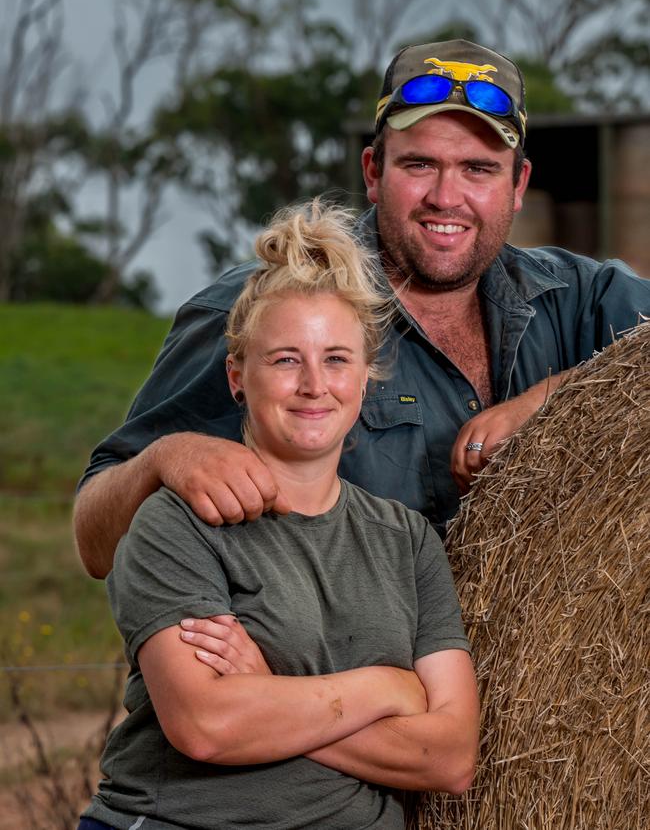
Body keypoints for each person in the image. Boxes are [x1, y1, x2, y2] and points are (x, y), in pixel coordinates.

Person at [74, 39, 650, 578]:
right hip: (331, 678)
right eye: (419, 165)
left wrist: (552, 402)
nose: (446, 198)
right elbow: (94, 541)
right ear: (373, 172)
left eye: (478, 169)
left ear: (518, 184)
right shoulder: (266, 310)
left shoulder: (577, 297)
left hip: (517, 677)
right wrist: (166, 458)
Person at [77, 202, 479, 830]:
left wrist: (267, 684)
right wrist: (384, 690)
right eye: (286, 359)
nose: (315, 384)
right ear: (238, 377)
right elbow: (207, 727)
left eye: (338, 359)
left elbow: (450, 757)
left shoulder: (408, 542)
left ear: (367, 377)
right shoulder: (175, 524)